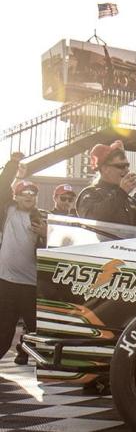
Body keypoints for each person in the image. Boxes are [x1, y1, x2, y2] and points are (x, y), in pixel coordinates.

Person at [0, 153, 47, 366]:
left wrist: (47, 234)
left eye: (33, 194)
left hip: (31, 286)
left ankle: (47, 367)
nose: (29, 196)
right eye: (24, 193)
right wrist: (12, 165)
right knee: (3, 330)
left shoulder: (42, 219)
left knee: (37, 329)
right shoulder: (8, 211)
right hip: (6, 283)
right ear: (16, 197)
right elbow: (2, 187)